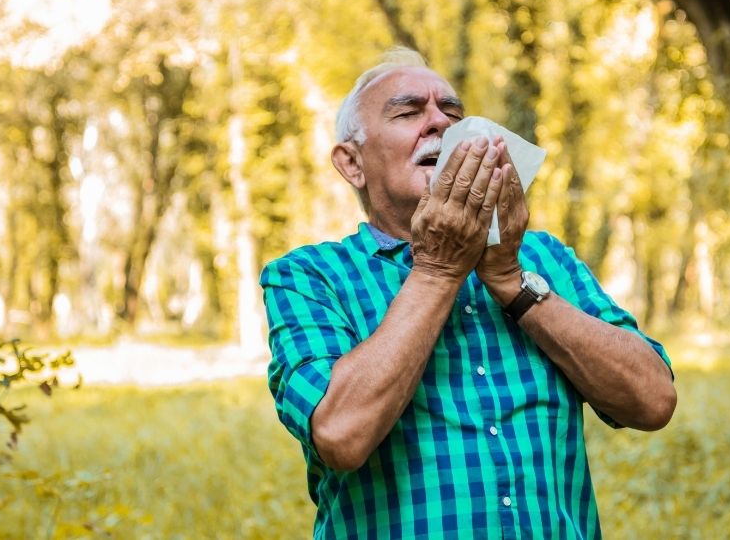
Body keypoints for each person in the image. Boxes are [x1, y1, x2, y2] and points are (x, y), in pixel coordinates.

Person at [261, 47, 676, 538]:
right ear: (352, 164)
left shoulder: (544, 258)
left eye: (452, 112)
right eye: (409, 111)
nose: (439, 121)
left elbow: (653, 400)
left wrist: (510, 282)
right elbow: (340, 435)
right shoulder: (307, 276)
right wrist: (438, 270)